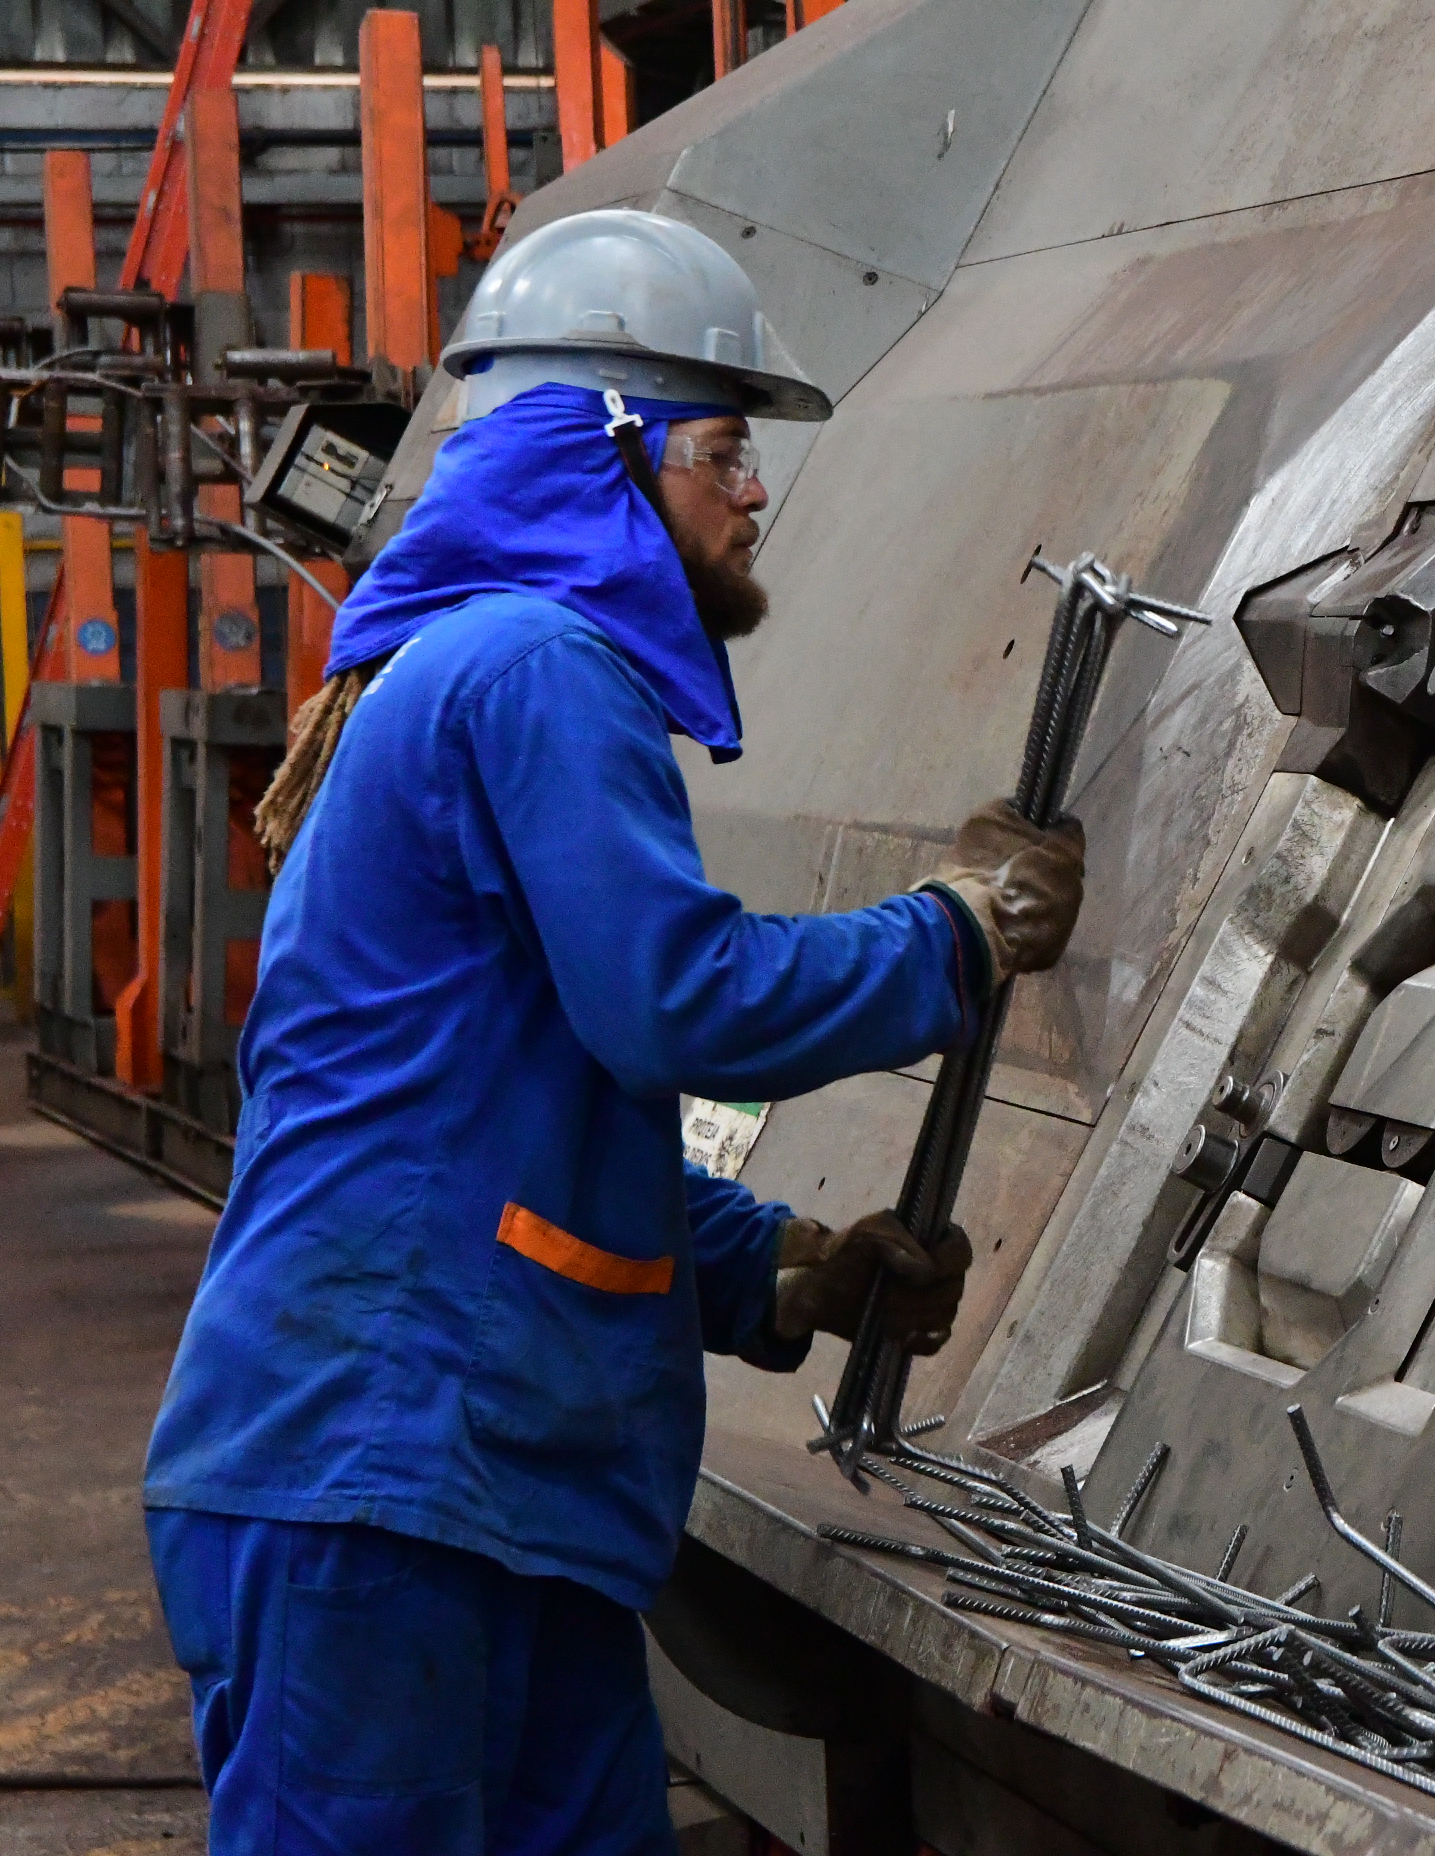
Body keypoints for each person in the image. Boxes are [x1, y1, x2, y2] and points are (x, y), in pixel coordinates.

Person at [137, 209, 1080, 1854]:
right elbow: (675, 1001)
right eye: (726, 453)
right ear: (609, 452)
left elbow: (509, 1124)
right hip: (386, 1479)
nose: (755, 496)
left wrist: (776, 1270)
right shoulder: (535, 668)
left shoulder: (478, 670)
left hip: (486, 1490)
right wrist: (954, 934)